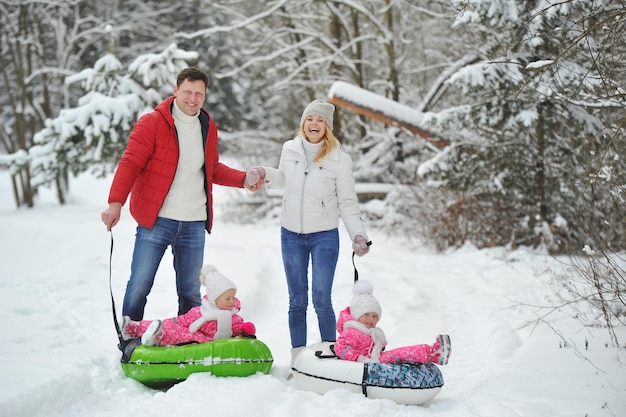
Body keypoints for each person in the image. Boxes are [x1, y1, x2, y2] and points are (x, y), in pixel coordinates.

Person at [101, 67, 260, 322]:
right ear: (176, 90)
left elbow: (212, 168)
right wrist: (115, 203)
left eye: (199, 93)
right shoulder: (152, 123)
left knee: (190, 292)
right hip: (157, 221)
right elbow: (130, 163)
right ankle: (129, 338)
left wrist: (242, 179)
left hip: (194, 222)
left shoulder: (206, 125)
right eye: (188, 91)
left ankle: (189, 341)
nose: (193, 98)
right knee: (140, 285)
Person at [245, 100, 371, 363]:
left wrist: (358, 234)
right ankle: (298, 359)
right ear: (303, 123)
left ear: (327, 127)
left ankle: (331, 358)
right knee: (297, 300)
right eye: (310, 119)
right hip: (291, 235)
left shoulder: (339, 159)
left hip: (324, 236)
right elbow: (282, 178)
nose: (314, 124)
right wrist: (263, 172)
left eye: (320, 120)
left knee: (322, 299)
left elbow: (347, 201)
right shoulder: (290, 149)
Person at [121, 265, 256, 346]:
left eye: (232, 297)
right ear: (214, 299)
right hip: (198, 334)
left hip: (205, 341)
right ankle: (134, 328)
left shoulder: (234, 317)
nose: (232, 301)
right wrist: (170, 323)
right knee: (177, 329)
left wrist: (246, 332)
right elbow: (182, 321)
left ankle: (158, 337)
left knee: (186, 336)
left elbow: (238, 330)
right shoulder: (201, 312)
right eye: (227, 298)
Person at [334, 280, 451, 365]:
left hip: (374, 360)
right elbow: (340, 348)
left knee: (400, 354)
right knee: (399, 354)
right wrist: (361, 359)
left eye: (375, 316)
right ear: (356, 316)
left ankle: (432, 354)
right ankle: (432, 352)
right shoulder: (351, 331)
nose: (371, 319)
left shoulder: (371, 332)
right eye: (366, 315)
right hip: (366, 364)